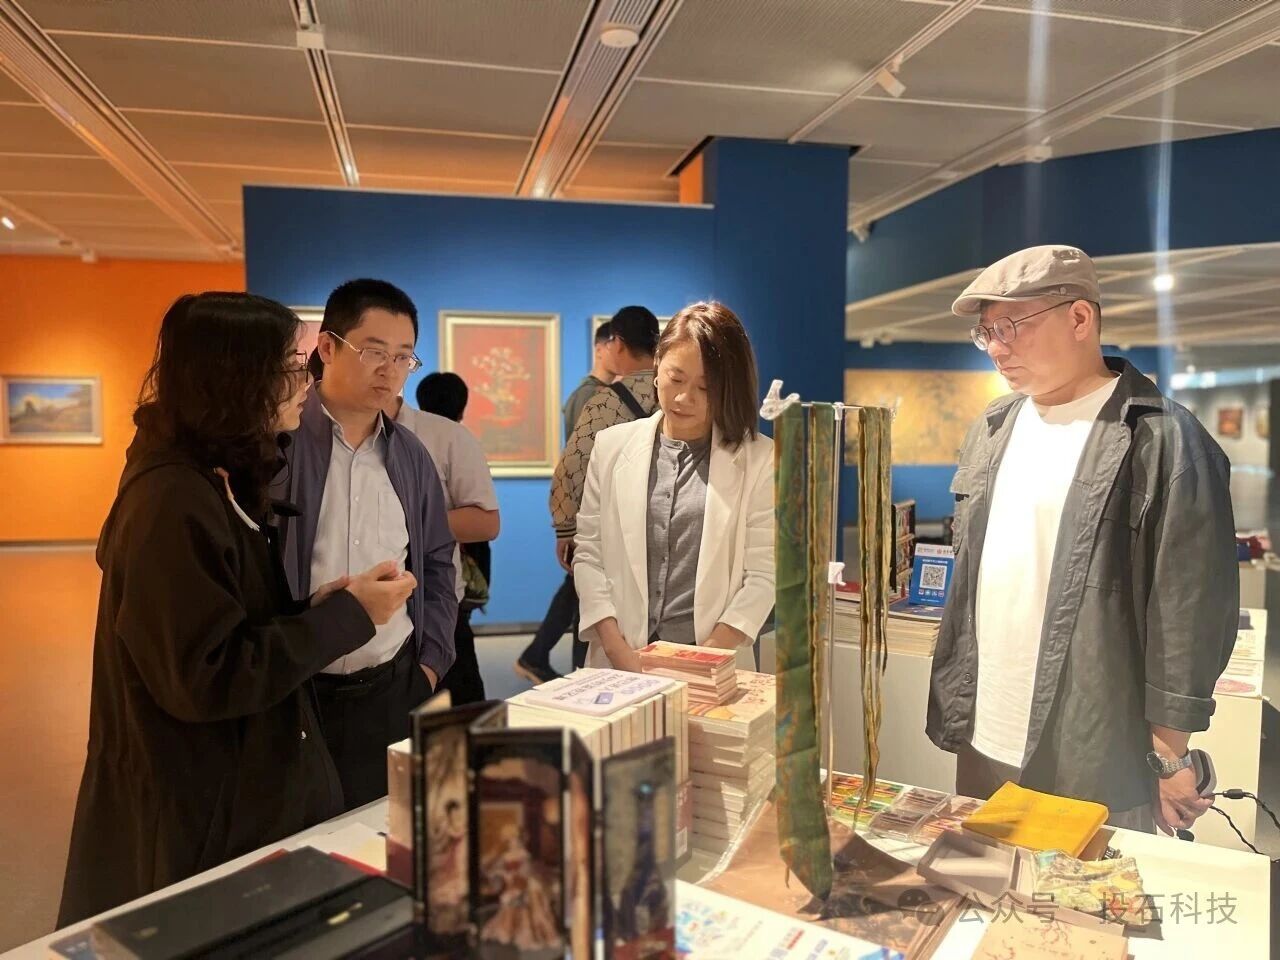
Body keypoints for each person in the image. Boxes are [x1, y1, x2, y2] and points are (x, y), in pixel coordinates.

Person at [58, 293, 415, 924]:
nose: (305, 382)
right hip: (199, 806)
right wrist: (345, 617)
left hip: (231, 787)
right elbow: (207, 675)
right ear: (237, 380)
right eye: (290, 367)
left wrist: (317, 607)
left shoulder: (216, 477)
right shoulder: (171, 502)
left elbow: (227, 617)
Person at [927, 245, 1238, 835]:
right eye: (986, 332)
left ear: (1079, 318)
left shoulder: (1164, 439)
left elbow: (1190, 612)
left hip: (1094, 747)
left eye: (1011, 326)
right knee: (983, 885)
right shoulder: (992, 427)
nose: (996, 348)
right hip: (985, 730)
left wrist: (1168, 754)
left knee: (1081, 892)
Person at [278, 278, 458, 811]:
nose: (390, 370)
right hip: (297, 690)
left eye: (403, 357)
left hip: (390, 685)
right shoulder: (280, 443)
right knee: (297, 837)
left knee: (382, 829)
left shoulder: (410, 456)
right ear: (327, 347)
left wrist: (430, 664)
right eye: (374, 351)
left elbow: (436, 562)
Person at [574, 301, 775, 669]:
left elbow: (764, 575)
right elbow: (589, 554)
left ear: (729, 388)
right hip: (619, 658)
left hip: (712, 662)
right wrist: (617, 649)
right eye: (676, 378)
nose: (684, 398)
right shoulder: (611, 446)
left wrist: (703, 657)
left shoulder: (760, 458)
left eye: (705, 387)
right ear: (657, 367)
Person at [517, 308, 660, 682]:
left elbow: (573, 465)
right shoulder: (676, 396)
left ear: (618, 343)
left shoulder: (604, 402)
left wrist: (566, 528)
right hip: (662, 528)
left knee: (596, 610)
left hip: (608, 529)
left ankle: (588, 683)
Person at [394, 370, 500, 704]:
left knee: (459, 706)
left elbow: (486, 523)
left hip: (436, 603)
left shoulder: (448, 438)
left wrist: (401, 525)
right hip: (376, 617)